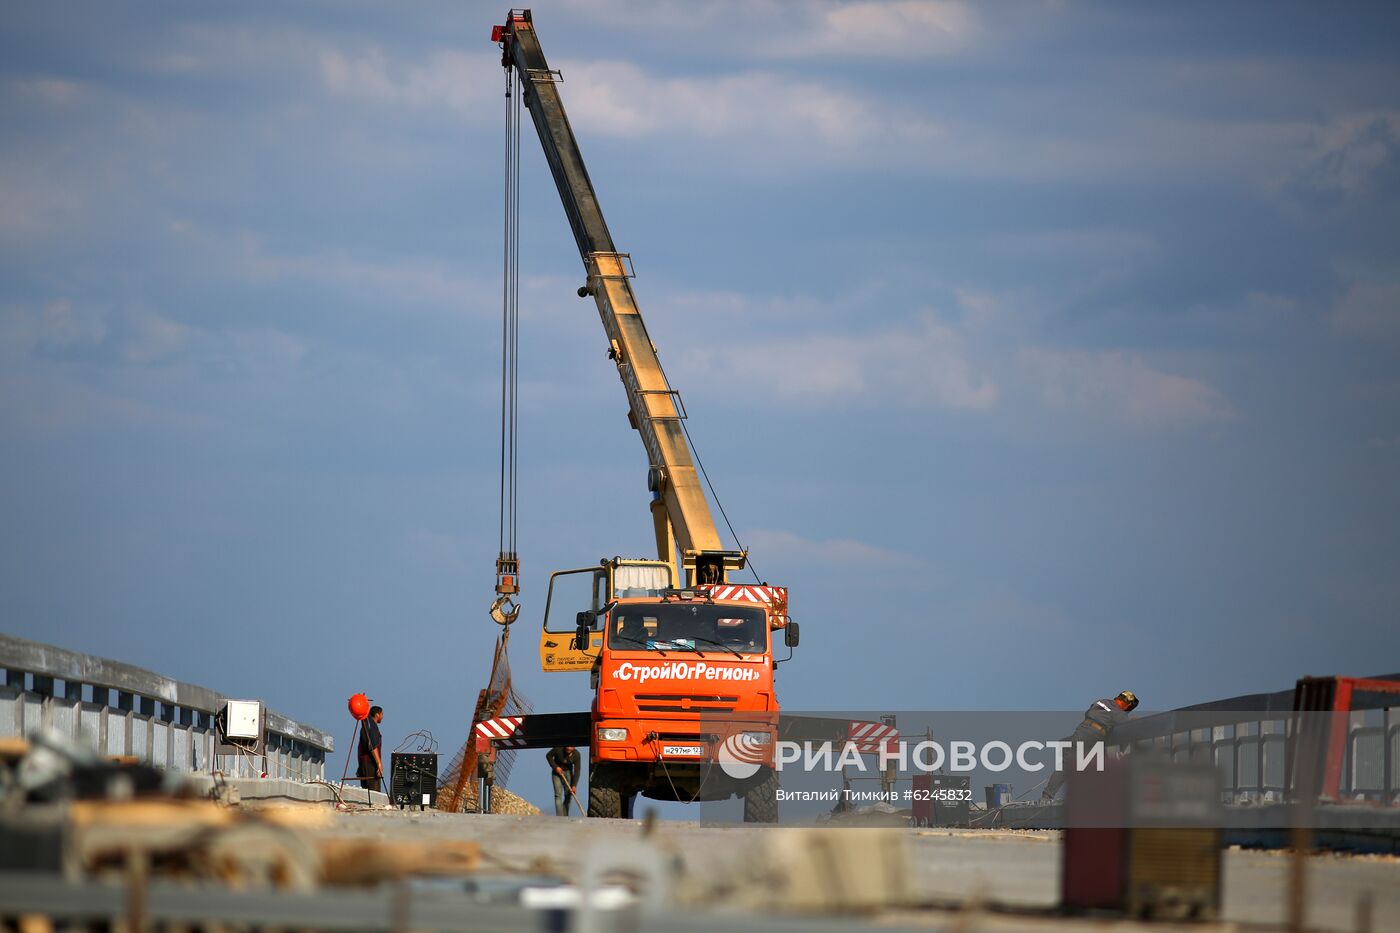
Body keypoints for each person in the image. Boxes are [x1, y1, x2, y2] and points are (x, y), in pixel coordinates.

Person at [1041, 691, 1138, 802]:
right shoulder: (1119, 714)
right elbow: (1126, 730)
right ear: (1127, 704)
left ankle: (1047, 796)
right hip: (1093, 736)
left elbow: (1090, 713)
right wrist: (1122, 751)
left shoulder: (1102, 701)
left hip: (1081, 731)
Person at [547, 745, 581, 816]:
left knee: (568, 795)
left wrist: (574, 785)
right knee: (558, 795)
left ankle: (565, 817)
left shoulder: (576, 755)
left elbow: (577, 771)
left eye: (571, 747)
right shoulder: (558, 748)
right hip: (556, 773)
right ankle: (559, 817)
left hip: (568, 773)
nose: (568, 748)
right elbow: (548, 756)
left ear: (574, 748)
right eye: (567, 746)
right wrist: (555, 767)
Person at [358, 705, 384, 793]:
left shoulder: (367, 725)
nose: (382, 716)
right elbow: (373, 746)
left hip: (365, 763)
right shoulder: (372, 727)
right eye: (382, 714)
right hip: (370, 763)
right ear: (377, 715)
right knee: (373, 791)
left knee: (366, 790)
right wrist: (379, 764)